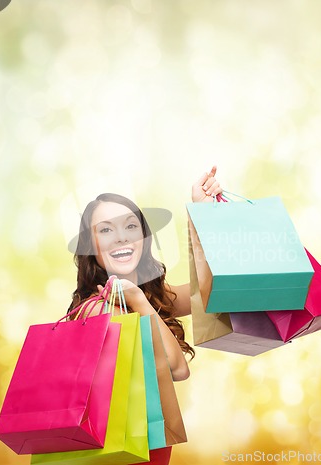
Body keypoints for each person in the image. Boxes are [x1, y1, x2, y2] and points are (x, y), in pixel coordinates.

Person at [66, 166, 223, 464]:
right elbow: (178, 369)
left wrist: (200, 215)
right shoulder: (97, 309)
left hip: (147, 450)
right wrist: (139, 300)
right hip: (121, 455)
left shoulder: (147, 295)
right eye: (106, 230)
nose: (121, 238)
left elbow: (207, 291)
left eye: (130, 226)